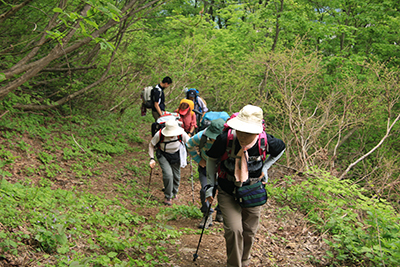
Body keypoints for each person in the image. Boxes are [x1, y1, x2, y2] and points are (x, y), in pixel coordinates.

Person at [205, 105, 286, 267]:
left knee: (249, 231)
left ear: (257, 132)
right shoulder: (225, 139)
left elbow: (281, 148)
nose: (243, 135)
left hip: (252, 190)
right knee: (234, 230)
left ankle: (245, 260)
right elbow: (211, 159)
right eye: (241, 130)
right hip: (227, 189)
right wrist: (210, 185)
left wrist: (265, 167)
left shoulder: (266, 141)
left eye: (248, 132)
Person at [186, 118, 225, 229]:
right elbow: (189, 145)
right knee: (205, 190)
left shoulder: (227, 139)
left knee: (223, 191)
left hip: (222, 168)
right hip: (206, 167)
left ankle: (220, 212)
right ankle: (207, 214)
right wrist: (199, 160)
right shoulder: (201, 137)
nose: (213, 140)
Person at [149, 119, 190, 205]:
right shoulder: (159, 134)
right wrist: (152, 158)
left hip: (176, 155)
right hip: (163, 155)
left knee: (176, 176)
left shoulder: (182, 134)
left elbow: (190, 143)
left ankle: (174, 193)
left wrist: (189, 154)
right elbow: (151, 145)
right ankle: (168, 196)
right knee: (168, 174)